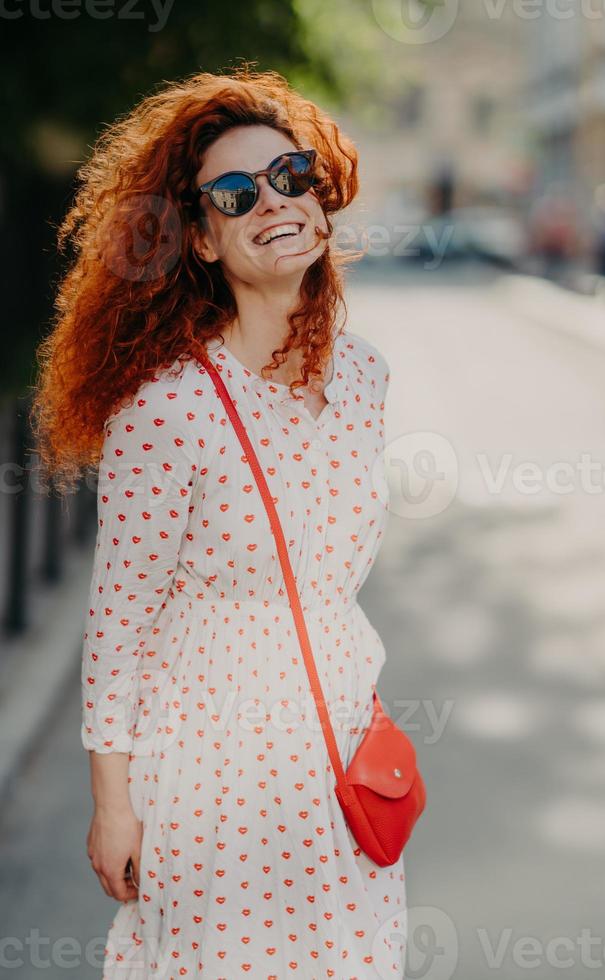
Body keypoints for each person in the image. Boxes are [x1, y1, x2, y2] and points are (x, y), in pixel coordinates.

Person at [31, 66, 407, 977]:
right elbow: (118, 621)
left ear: (319, 199)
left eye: (289, 176)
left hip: (341, 737)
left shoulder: (363, 377)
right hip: (211, 761)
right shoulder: (166, 412)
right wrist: (113, 803)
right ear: (200, 238)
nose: (271, 202)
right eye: (235, 195)